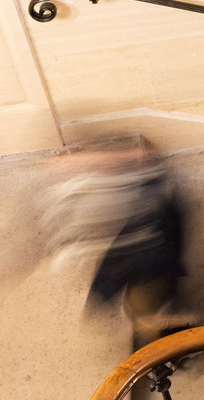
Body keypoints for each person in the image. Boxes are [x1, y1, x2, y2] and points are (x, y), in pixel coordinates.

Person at [45, 137, 192, 349]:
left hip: (149, 255)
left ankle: (170, 340)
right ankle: (170, 341)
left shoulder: (144, 290)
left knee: (146, 307)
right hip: (150, 253)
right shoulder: (151, 207)